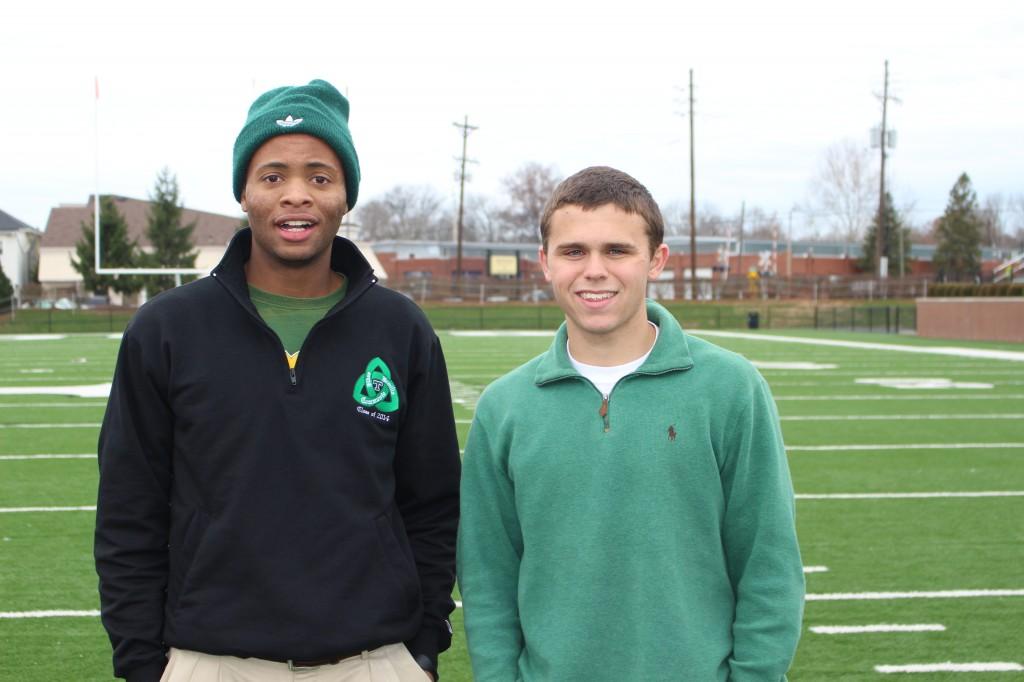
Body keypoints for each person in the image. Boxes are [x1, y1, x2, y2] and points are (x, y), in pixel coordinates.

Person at [95, 79, 461, 682]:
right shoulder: (166, 329)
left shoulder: (400, 329)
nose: (296, 195)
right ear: (243, 191)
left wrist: (420, 643)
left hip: (373, 661)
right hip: (210, 662)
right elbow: (128, 511)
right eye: (272, 176)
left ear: (346, 195)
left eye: (320, 177)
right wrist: (142, 662)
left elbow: (433, 502)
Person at [457, 166, 804, 681]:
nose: (594, 270)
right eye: (573, 251)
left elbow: (768, 564)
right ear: (545, 263)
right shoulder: (504, 406)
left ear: (656, 260)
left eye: (617, 250)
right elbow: (487, 577)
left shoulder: (731, 388)